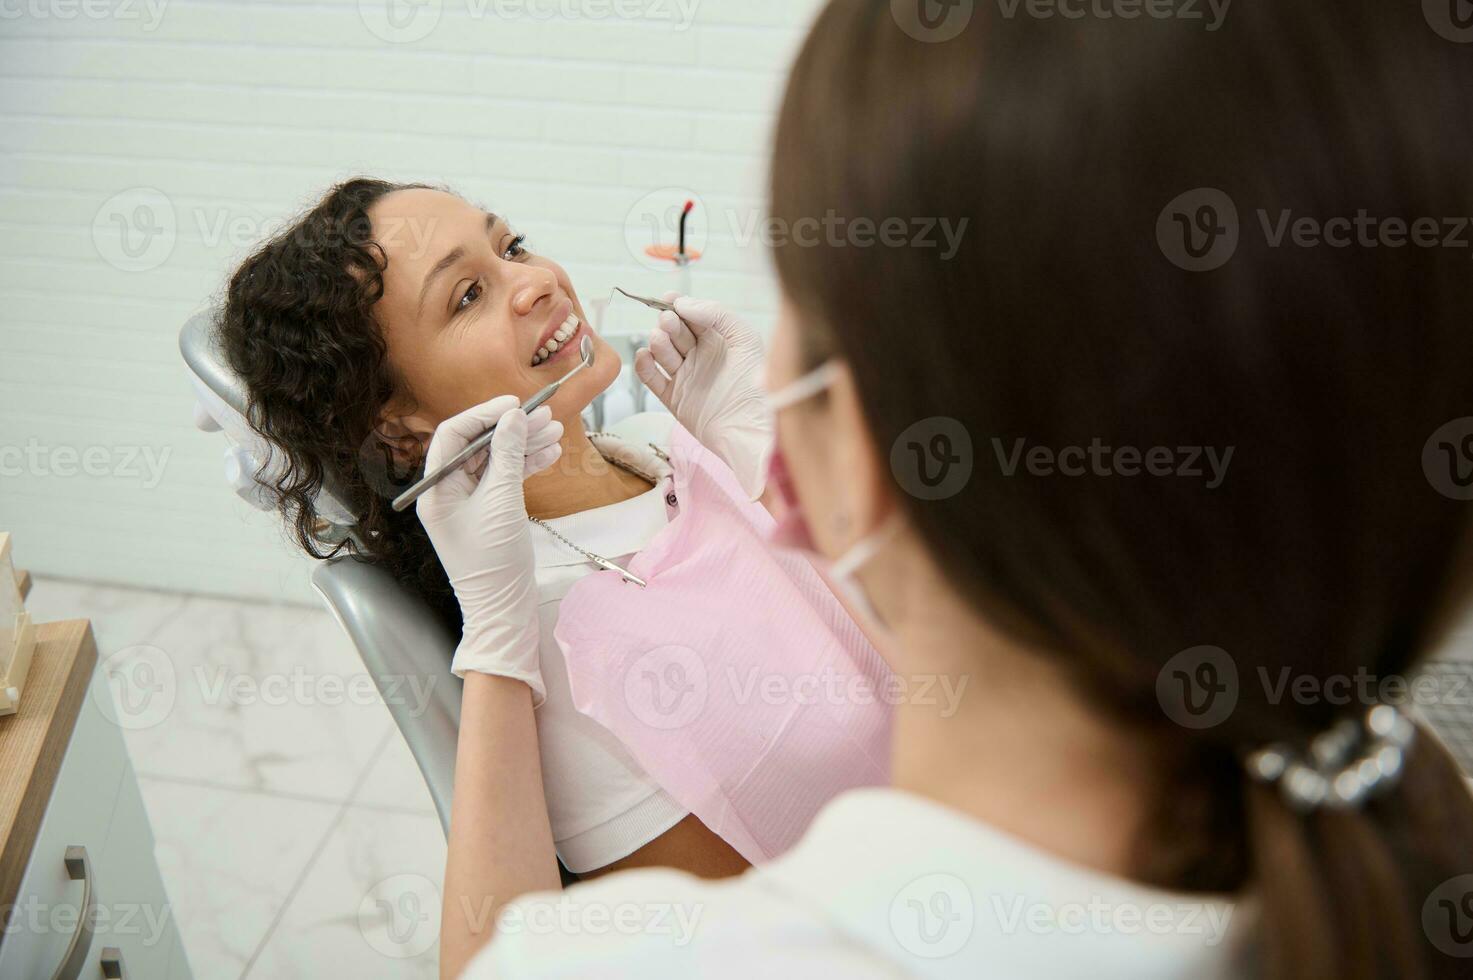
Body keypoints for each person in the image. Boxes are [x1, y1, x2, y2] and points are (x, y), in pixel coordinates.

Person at [425, 1, 1473, 977]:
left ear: (861, 461)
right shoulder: (1401, 822)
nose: (534, 281)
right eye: (469, 288)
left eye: (800, 292)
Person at [219, 181, 889, 885]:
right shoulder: (567, 649)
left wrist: (775, 466)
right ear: (398, 427)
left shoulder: (663, 441)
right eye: (467, 296)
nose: (535, 282)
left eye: (510, 246)